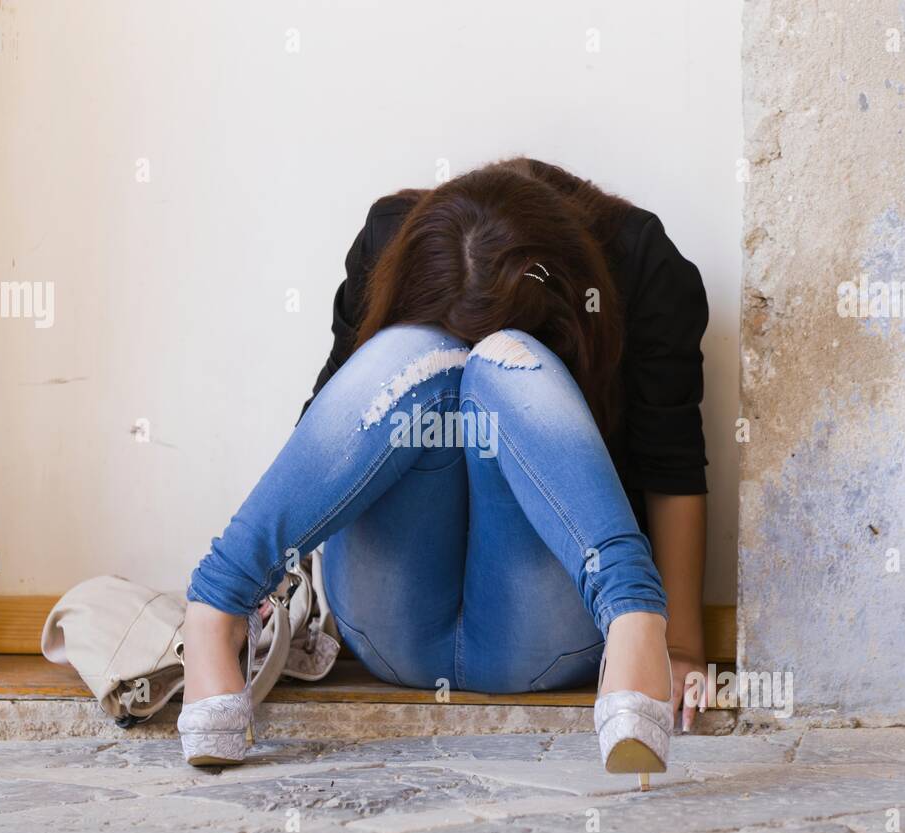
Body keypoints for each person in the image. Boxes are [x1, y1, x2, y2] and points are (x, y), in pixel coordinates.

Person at [178, 157, 710, 780]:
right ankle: (216, 605)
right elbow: (327, 431)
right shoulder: (388, 239)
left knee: (507, 359)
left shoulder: (640, 263)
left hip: (548, 627)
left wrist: (682, 647)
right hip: (390, 621)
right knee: (411, 353)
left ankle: (634, 614)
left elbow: (672, 462)